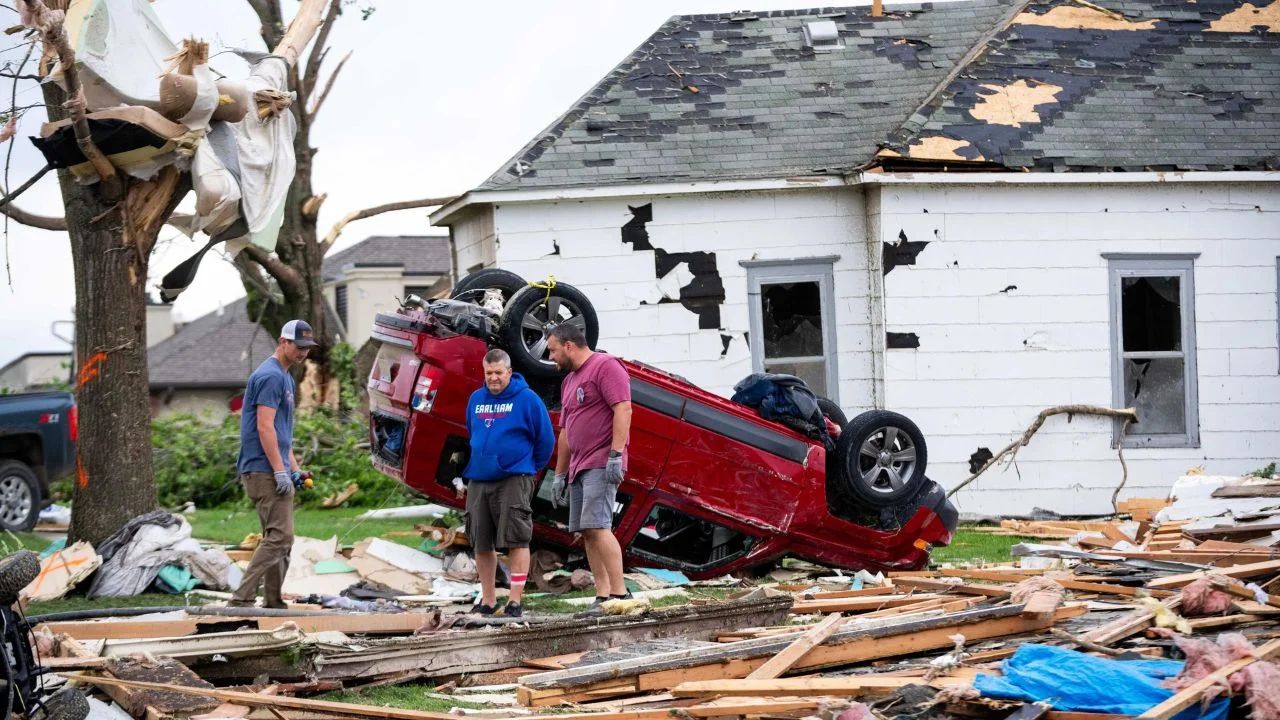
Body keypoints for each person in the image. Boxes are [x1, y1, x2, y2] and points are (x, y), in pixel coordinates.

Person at [229, 319, 316, 608]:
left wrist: (293, 469)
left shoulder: (286, 377)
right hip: (263, 468)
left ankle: (273, 601)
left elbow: (282, 435)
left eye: (307, 348)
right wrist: (279, 471)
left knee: (278, 538)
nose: (303, 352)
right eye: (299, 346)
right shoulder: (270, 376)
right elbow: (265, 427)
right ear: (283, 342)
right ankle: (241, 598)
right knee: (280, 537)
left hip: (272, 466)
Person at [461, 348, 554, 617]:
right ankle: (488, 600)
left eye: (498, 373)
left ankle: (515, 600)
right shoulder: (476, 399)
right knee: (480, 541)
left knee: (517, 538)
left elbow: (545, 441)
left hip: (514, 478)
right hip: (479, 477)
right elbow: (472, 431)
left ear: (509, 372)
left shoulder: (527, 399)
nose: (493, 378)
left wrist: (527, 468)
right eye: (488, 373)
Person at [546, 323, 632, 615]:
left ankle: (620, 594)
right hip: (579, 466)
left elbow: (623, 408)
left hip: (601, 460)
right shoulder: (569, 381)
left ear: (569, 346)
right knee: (587, 530)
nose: (551, 357)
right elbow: (566, 432)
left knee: (599, 526)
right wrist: (560, 473)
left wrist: (616, 455)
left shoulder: (605, 366)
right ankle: (602, 595)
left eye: (553, 350)